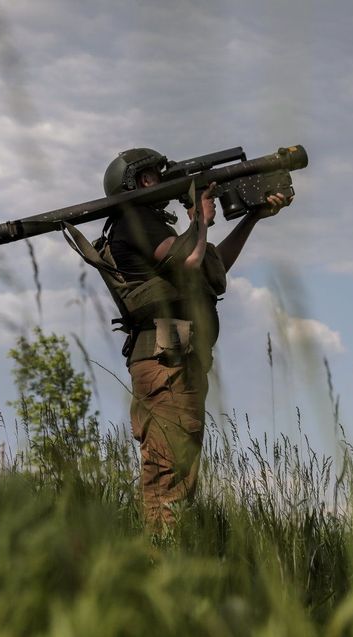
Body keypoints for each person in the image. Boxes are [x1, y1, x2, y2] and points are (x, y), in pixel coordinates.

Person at [100, 147, 292, 530]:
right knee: (169, 474)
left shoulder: (150, 225)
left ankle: (166, 562)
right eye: (158, 173)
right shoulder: (135, 219)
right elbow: (187, 260)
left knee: (177, 472)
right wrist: (201, 221)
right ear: (142, 181)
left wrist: (251, 216)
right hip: (165, 362)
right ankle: (161, 566)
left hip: (175, 360)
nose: (166, 178)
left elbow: (210, 264)